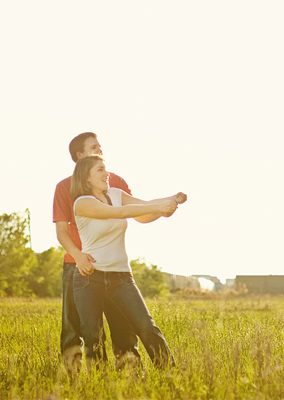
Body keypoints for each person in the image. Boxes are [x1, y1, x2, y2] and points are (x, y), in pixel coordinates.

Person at [70, 154, 185, 369]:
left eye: (106, 169)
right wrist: (159, 207)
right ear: (86, 178)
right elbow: (120, 212)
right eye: (100, 170)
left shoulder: (116, 194)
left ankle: (170, 373)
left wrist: (167, 205)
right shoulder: (83, 202)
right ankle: (99, 382)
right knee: (93, 335)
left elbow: (142, 213)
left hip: (121, 277)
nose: (107, 174)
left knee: (145, 326)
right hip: (89, 279)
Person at [53, 132, 139, 370]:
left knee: (123, 325)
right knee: (75, 328)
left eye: (100, 147)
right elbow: (61, 231)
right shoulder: (63, 187)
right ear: (79, 156)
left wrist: (162, 207)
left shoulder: (117, 183)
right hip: (76, 266)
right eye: (94, 148)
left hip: (113, 268)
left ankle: (129, 375)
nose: (100, 151)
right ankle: (77, 377)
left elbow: (135, 212)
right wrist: (79, 257)